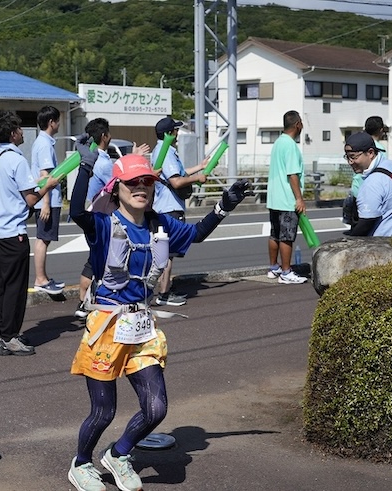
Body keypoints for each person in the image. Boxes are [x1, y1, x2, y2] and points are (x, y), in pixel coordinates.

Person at [67, 136, 250, 491]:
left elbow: (196, 234)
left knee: (156, 408)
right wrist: (85, 167)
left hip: (141, 326)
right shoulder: (105, 225)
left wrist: (224, 206)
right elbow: (77, 214)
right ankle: (81, 464)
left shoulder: (160, 225)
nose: (140, 188)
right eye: (132, 182)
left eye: (147, 181)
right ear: (117, 187)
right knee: (103, 412)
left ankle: (118, 455)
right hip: (106, 325)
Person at [0, 110, 60, 356]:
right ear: (12, 133)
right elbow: (30, 198)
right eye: (18, 128)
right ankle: (9, 336)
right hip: (12, 230)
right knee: (15, 288)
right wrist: (47, 185)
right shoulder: (17, 160)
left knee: (3, 285)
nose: (22, 132)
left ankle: (4, 332)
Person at [75, 118, 149, 319]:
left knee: (93, 260)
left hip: (93, 211)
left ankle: (83, 302)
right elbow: (121, 181)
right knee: (101, 262)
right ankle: (90, 301)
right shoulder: (103, 162)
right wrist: (134, 160)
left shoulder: (89, 157)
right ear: (105, 136)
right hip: (107, 217)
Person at [151, 116, 208, 306]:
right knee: (167, 254)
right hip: (170, 208)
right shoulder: (165, 151)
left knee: (165, 253)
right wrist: (198, 178)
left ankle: (163, 290)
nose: (177, 133)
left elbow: (177, 173)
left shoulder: (161, 150)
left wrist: (198, 167)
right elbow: (176, 181)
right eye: (175, 130)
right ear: (169, 133)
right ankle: (164, 294)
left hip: (164, 207)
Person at [265, 110, 308, 285]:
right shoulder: (290, 145)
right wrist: (299, 198)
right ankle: (286, 271)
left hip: (274, 198)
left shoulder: (278, 142)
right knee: (287, 236)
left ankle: (274, 267)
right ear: (298, 124)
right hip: (286, 199)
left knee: (274, 234)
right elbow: (293, 175)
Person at [343, 131, 392, 237]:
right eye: (347, 157)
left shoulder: (372, 183)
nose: (350, 162)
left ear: (370, 153)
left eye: (353, 157)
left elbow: (367, 222)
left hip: (383, 246)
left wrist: (350, 241)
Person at [31, 105, 64, 295]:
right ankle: (41, 279)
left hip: (46, 198)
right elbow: (46, 176)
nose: (59, 124)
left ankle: (42, 278)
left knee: (43, 238)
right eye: (57, 120)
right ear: (51, 122)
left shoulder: (43, 142)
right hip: (47, 199)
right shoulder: (44, 144)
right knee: (43, 239)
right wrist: (46, 204)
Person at [344, 116, 389, 226]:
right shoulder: (377, 150)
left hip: (356, 191)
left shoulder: (358, 143)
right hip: (369, 197)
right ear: (381, 130)